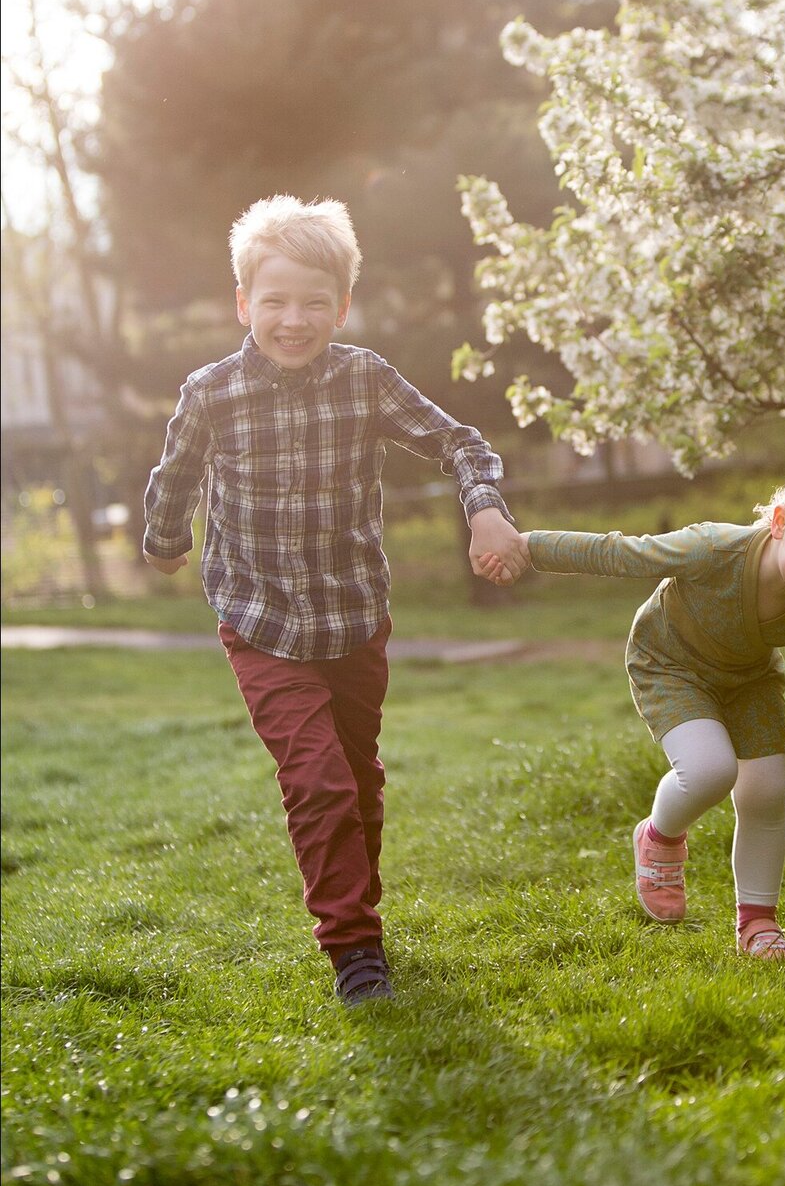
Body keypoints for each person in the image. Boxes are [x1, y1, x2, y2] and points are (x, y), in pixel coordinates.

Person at [143, 195, 526, 1007]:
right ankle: (353, 946)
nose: (294, 319)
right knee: (317, 781)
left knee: (356, 777)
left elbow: (459, 441)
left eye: (315, 302)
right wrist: (165, 540)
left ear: (343, 305)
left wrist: (485, 507)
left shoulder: (365, 378)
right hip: (260, 621)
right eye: (275, 301)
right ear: (243, 302)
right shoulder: (211, 391)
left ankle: (360, 910)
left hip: (354, 618)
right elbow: (175, 475)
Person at [480, 447, 785, 961]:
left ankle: (758, 923)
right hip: (670, 663)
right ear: (780, 523)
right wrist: (528, 546)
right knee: (710, 770)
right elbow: (623, 553)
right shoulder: (713, 549)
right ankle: (660, 836)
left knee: (767, 793)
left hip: (749, 680)